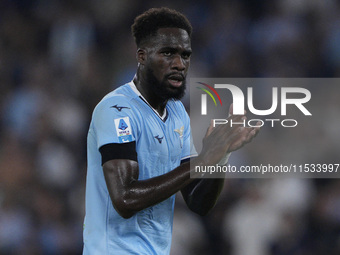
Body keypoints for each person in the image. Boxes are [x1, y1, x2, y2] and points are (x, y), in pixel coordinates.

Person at [83, 7, 259, 255]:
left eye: (185, 55)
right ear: (142, 56)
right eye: (168, 54)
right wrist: (203, 160)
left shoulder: (177, 114)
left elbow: (198, 203)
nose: (179, 64)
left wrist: (220, 155)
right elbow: (125, 199)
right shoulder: (116, 109)